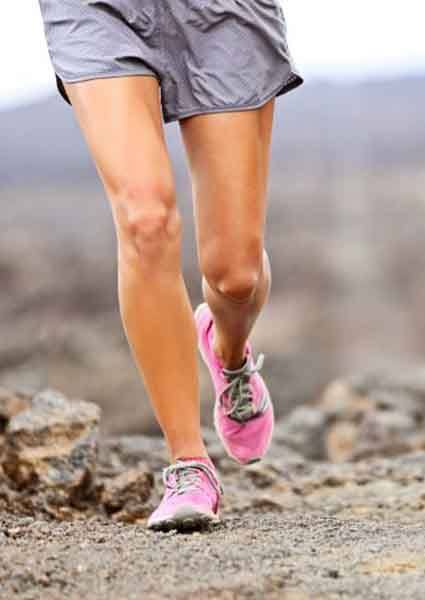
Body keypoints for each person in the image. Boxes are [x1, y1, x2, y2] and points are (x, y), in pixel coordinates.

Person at [37, 0, 303, 531]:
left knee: (234, 274)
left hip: (220, 11)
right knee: (145, 219)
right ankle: (189, 464)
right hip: (96, 10)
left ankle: (228, 354)